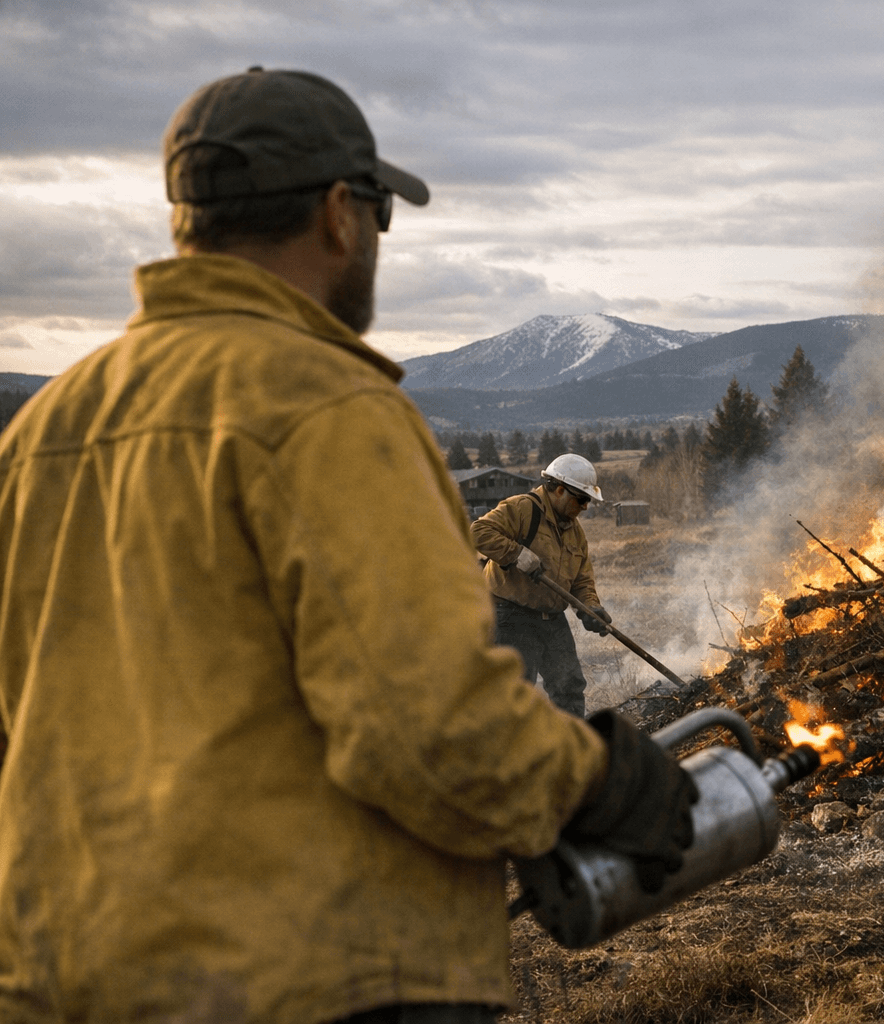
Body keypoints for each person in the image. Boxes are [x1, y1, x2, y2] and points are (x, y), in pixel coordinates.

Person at [0, 68, 696, 1024]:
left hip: (66, 970)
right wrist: (607, 783)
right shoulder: (324, 410)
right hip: (305, 973)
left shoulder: (44, 432)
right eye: (378, 215)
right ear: (340, 213)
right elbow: (429, 729)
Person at [471, 453, 611, 717]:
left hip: (552, 619)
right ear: (560, 490)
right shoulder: (523, 508)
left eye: (588, 501)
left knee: (569, 686)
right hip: (511, 616)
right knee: (514, 691)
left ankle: (571, 750)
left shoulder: (575, 530)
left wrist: (591, 607)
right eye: (581, 499)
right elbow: (478, 532)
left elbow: (582, 578)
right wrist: (515, 554)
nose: (585, 507)